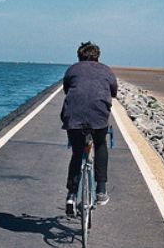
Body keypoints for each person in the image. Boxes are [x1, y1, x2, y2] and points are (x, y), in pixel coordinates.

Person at [60, 41, 118, 216]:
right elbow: (114, 91)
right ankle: (100, 190)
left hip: (74, 116)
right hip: (98, 116)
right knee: (100, 144)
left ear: (79, 56)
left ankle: (71, 194)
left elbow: (67, 89)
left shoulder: (72, 69)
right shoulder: (106, 70)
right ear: (97, 57)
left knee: (77, 152)